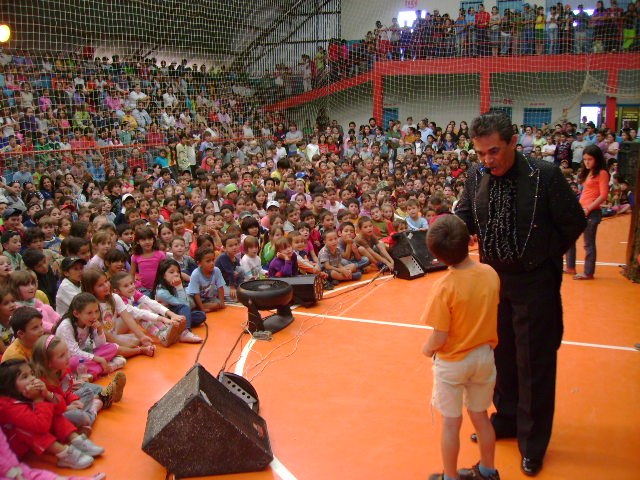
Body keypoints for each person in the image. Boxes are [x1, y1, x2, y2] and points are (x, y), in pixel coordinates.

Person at [455, 112, 586, 476]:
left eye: (494, 151)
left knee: (535, 364)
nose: (487, 160)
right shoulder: (476, 175)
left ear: (514, 142)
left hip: (535, 283)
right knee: (502, 357)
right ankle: (507, 420)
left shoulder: (544, 175)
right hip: (494, 283)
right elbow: (465, 215)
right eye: (480, 153)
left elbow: (574, 222)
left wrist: (542, 257)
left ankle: (533, 443)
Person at [423, 215, 500, 480]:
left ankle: (450, 477)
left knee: (451, 424)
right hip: (484, 357)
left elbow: (440, 336)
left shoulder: (443, 287)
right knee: (481, 416)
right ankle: (488, 471)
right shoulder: (490, 273)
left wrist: (426, 349)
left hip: (453, 362)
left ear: (437, 256)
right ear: (469, 241)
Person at [0, 358, 103, 469]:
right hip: (15, 448)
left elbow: (61, 408)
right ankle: (65, 454)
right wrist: (38, 399)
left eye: (32, 374)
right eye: (25, 377)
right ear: (10, 387)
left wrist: (48, 394)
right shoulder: (8, 406)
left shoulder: (29, 391)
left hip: (40, 432)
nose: (33, 379)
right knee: (26, 429)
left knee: (55, 413)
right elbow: (41, 426)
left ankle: (76, 440)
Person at [565, 145, 610, 280]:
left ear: (596, 159)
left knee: (588, 243)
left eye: (590, 159)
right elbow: (586, 193)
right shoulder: (589, 172)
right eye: (585, 159)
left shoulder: (602, 173)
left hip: (592, 212)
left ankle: (588, 272)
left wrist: (589, 208)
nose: (587, 162)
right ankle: (570, 266)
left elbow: (603, 195)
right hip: (583, 210)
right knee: (570, 238)